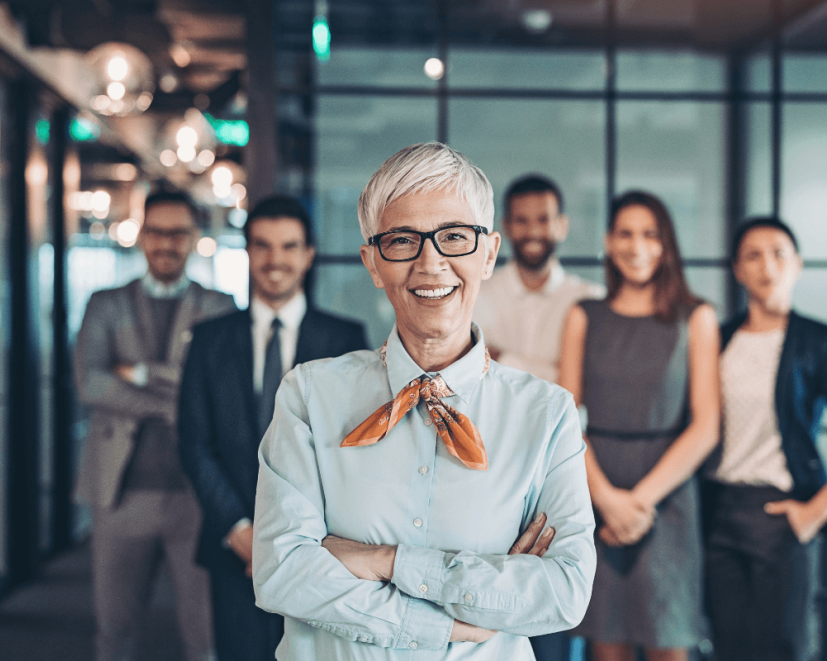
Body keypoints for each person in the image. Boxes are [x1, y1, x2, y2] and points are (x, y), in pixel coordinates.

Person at [250, 142, 596, 660]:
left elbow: (564, 593)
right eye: (402, 240)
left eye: (455, 237)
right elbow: (281, 574)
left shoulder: (546, 414)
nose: (430, 263)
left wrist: (386, 561)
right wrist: (462, 614)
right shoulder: (308, 395)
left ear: (488, 253)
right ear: (372, 262)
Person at [178, 195, 368, 661]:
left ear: (308, 254)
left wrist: (304, 538)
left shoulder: (346, 341)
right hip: (232, 543)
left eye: (288, 246)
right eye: (262, 246)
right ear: (247, 252)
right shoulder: (208, 339)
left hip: (321, 549)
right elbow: (194, 443)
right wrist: (242, 533)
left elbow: (355, 450)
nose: (275, 260)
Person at [704, 217, 827, 661]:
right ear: (737, 270)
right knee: (725, 649)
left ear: (798, 265)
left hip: (781, 513)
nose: (767, 265)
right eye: (753, 255)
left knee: (781, 650)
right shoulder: (717, 338)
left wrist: (814, 513)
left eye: (778, 253)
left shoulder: (819, 342)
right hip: (718, 512)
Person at [74, 190, 237, 661]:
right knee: (114, 630)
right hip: (121, 494)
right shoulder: (105, 303)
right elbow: (92, 383)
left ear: (193, 239)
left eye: (178, 233)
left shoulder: (220, 305)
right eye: (158, 232)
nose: (167, 243)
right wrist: (170, 404)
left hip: (198, 498)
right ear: (142, 237)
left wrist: (140, 372)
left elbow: (215, 389)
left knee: (205, 637)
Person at [560, 191, 721, 661]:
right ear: (609, 242)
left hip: (668, 498)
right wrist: (609, 502)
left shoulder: (697, 318)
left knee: (670, 642)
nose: (637, 246)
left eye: (650, 234)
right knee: (605, 645)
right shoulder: (582, 316)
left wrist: (638, 503)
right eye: (626, 234)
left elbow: (706, 426)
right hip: (597, 490)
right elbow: (565, 423)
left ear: (667, 243)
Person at [474, 174, 603, 384]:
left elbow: (589, 384)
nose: (532, 231)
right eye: (521, 220)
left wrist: (501, 359)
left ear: (562, 226)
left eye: (543, 220)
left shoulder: (591, 300)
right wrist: (557, 372)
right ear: (506, 226)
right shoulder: (476, 296)